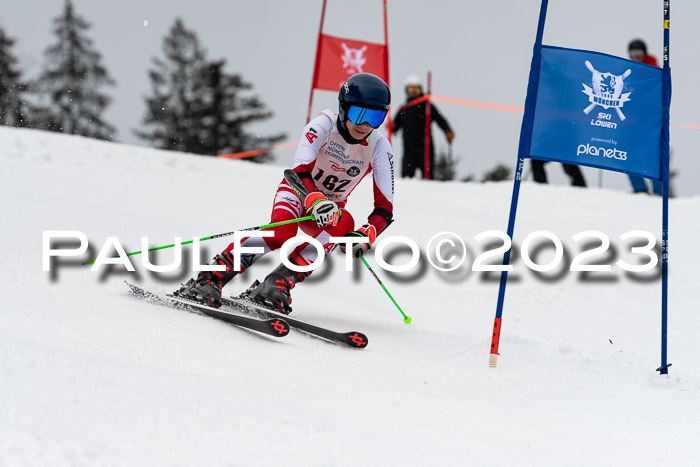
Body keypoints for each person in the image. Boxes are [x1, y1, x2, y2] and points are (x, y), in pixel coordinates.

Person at [176, 72, 395, 313]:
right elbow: (299, 170)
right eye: (359, 114)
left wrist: (368, 232)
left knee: (345, 225)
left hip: (331, 209)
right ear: (343, 108)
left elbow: (385, 207)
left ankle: (277, 282)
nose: (365, 125)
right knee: (281, 233)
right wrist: (314, 199)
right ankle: (211, 277)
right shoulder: (323, 125)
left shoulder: (380, 147)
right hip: (298, 192)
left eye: (376, 117)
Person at [392, 75, 454, 179]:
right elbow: (395, 128)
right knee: (406, 177)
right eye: (411, 89)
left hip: (425, 148)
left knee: (428, 177)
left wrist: (448, 131)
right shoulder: (403, 109)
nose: (413, 92)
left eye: (416, 89)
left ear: (421, 90)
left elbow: (440, 120)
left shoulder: (428, 106)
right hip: (408, 149)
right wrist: (392, 126)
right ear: (406, 91)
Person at [627, 39, 662, 195]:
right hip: (634, 120)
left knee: (653, 155)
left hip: (651, 120)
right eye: (633, 54)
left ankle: (659, 191)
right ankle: (639, 189)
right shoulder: (629, 69)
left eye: (639, 53)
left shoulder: (652, 67)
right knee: (628, 151)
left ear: (645, 53)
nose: (636, 57)